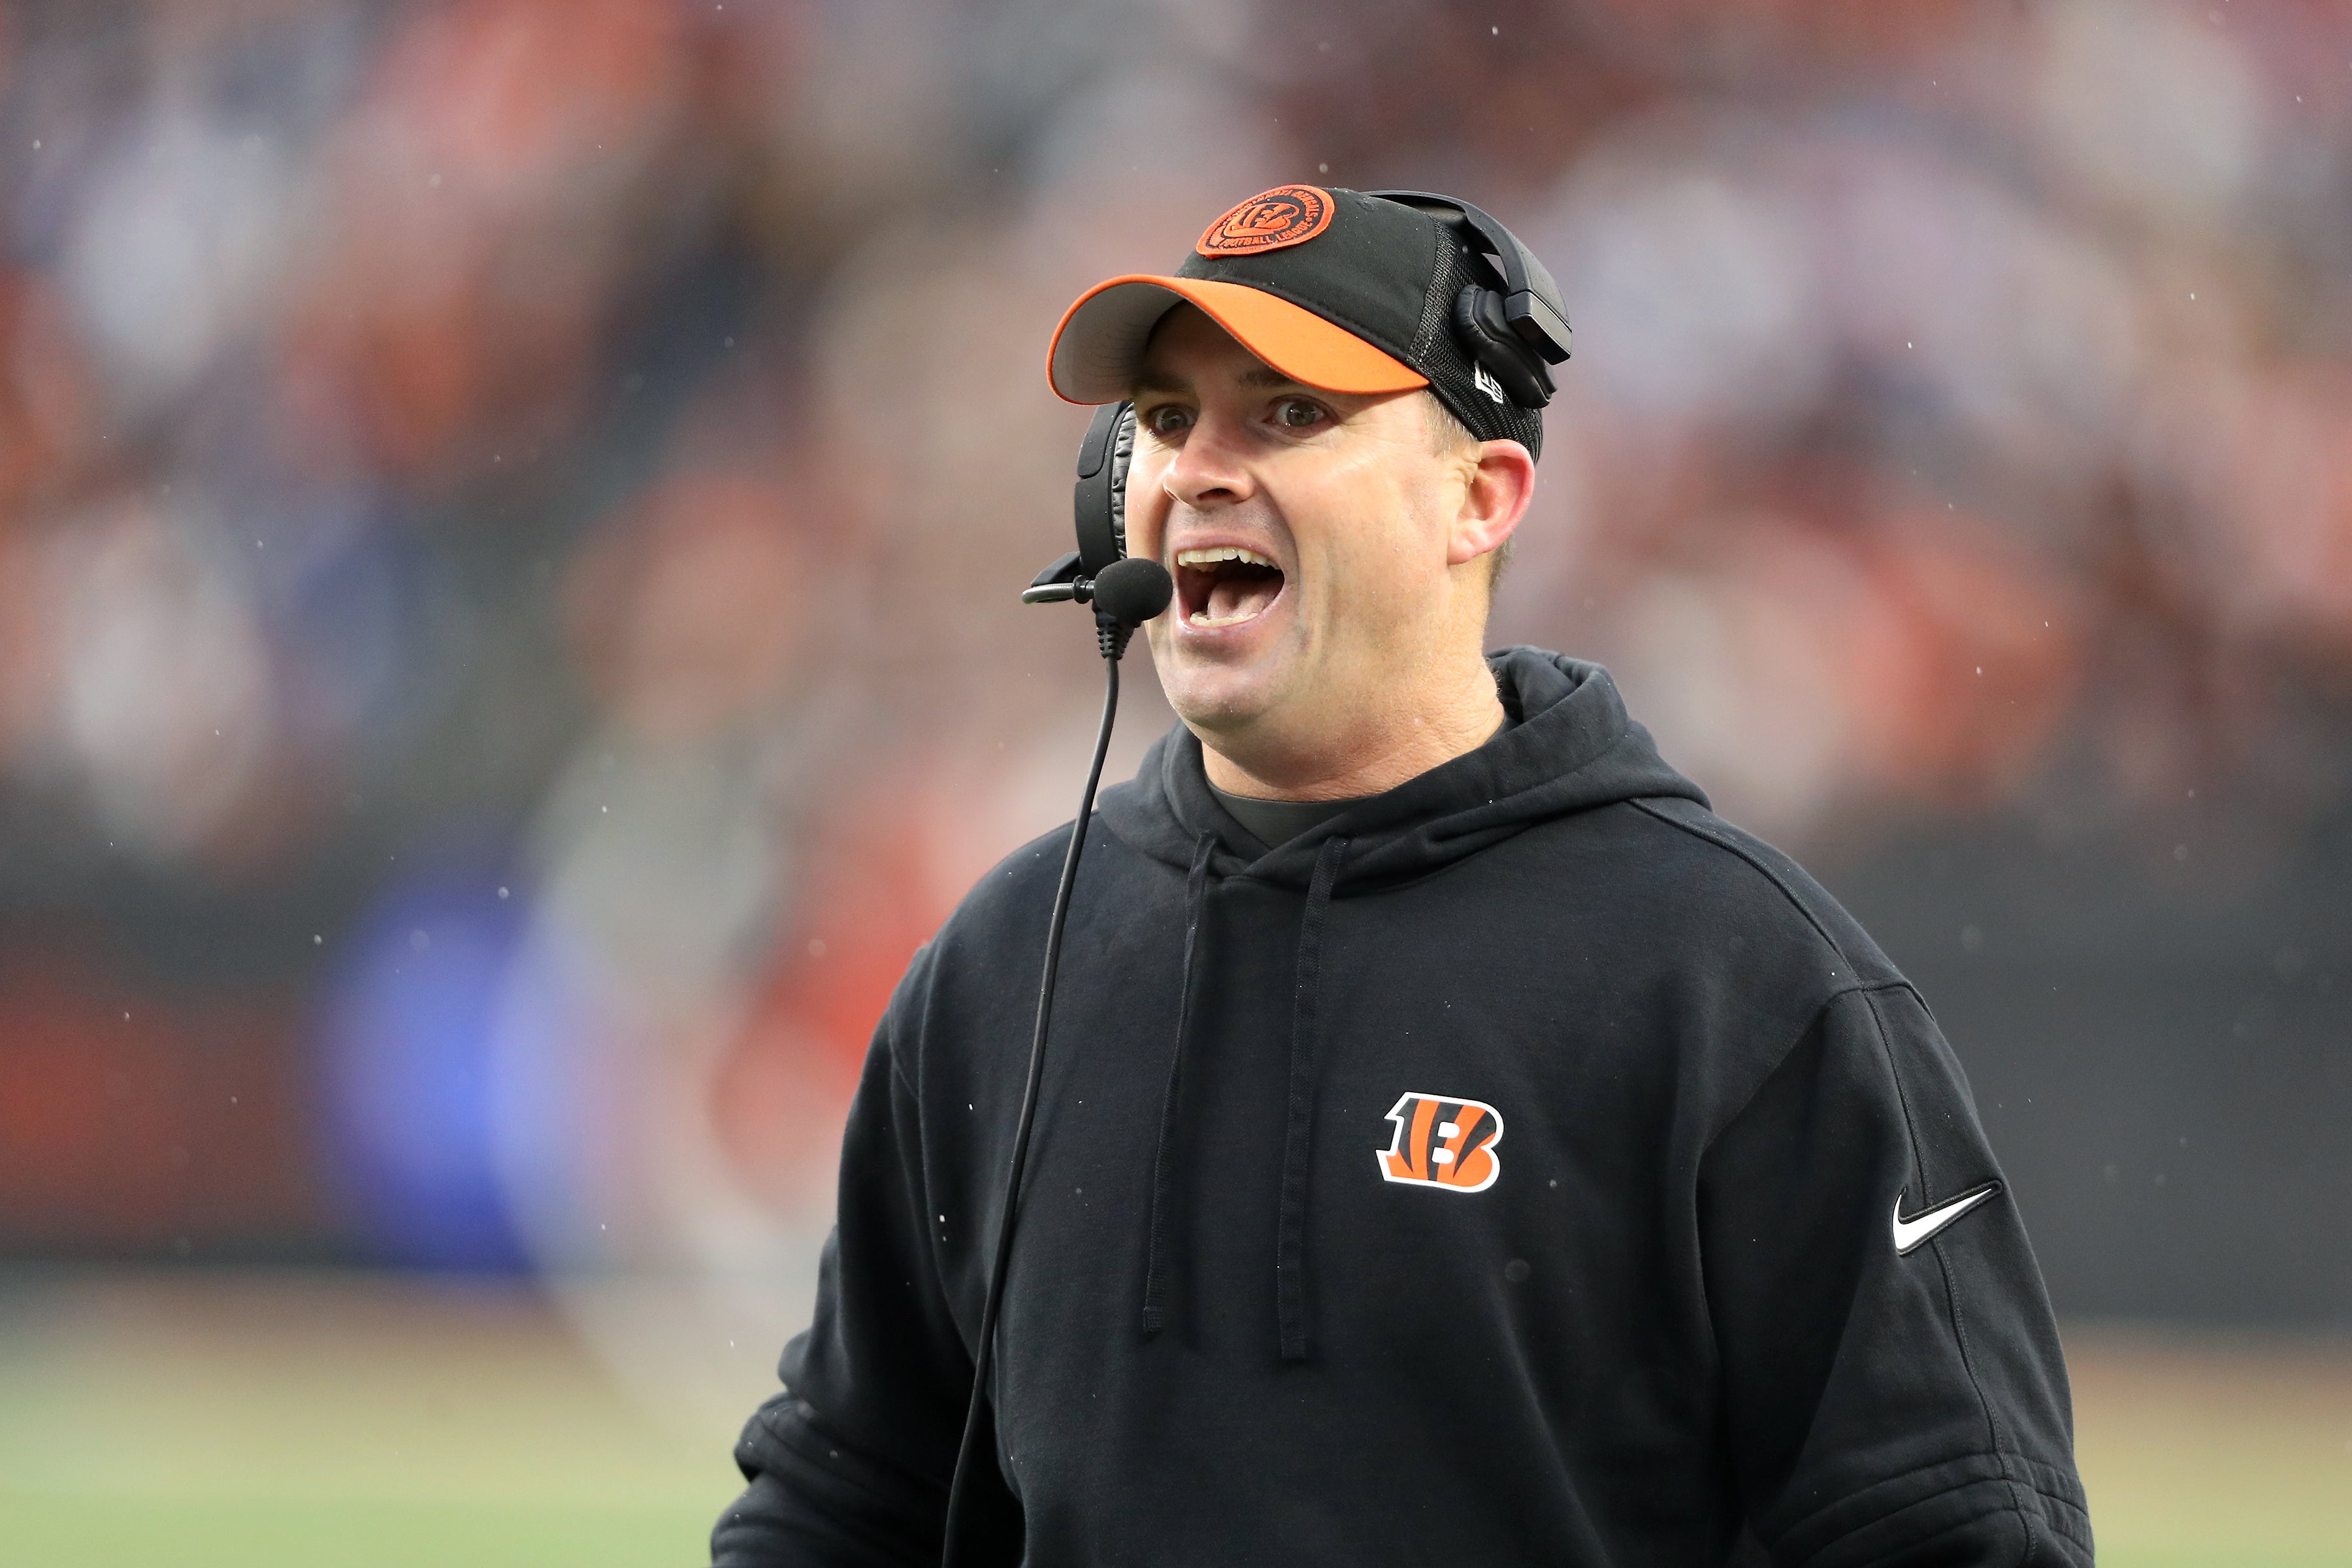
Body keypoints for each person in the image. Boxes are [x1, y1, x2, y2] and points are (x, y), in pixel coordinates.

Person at [711, 185, 2091, 1566]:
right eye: (1170, 419)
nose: (1197, 471)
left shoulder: (1743, 981)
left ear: (1478, 499)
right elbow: (843, 1504)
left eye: (1290, 413)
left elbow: (1955, 1535)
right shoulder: (1009, 959)